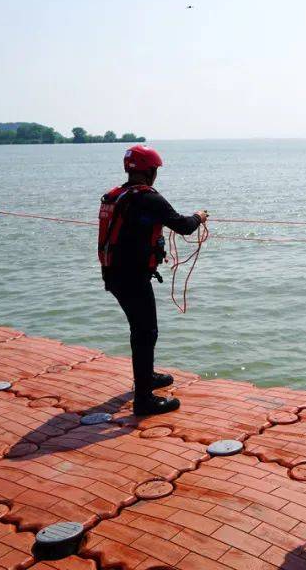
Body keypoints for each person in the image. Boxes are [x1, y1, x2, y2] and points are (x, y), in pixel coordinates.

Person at [99, 145, 208, 416]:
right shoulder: (148, 198)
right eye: (155, 170)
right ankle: (144, 400)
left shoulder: (117, 195)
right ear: (150, 171)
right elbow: (183, 225)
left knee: (142, 329)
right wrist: (200, 216)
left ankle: (146, 378)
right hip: (132, 277)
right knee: (146, 332)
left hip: (113, 273)